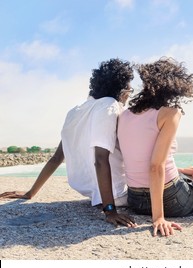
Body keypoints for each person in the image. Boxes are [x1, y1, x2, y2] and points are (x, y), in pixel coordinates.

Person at [0, 58, 136, 228]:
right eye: (130, 89)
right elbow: (100, 159)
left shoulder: (75, 111)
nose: (129, 94)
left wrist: (30, 192)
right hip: (117, 195)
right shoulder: (109, 105)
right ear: (122, 90)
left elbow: (57, 157)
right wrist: (110, 210)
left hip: (94, 194)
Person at [117, 57, 193, 237]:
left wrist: (180, 170)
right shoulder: (170, 113)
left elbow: (138, 157)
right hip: (170, 198)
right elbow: (156, 166)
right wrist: (158, 217)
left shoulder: (125, 115)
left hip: (135, 199)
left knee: (190, 177)